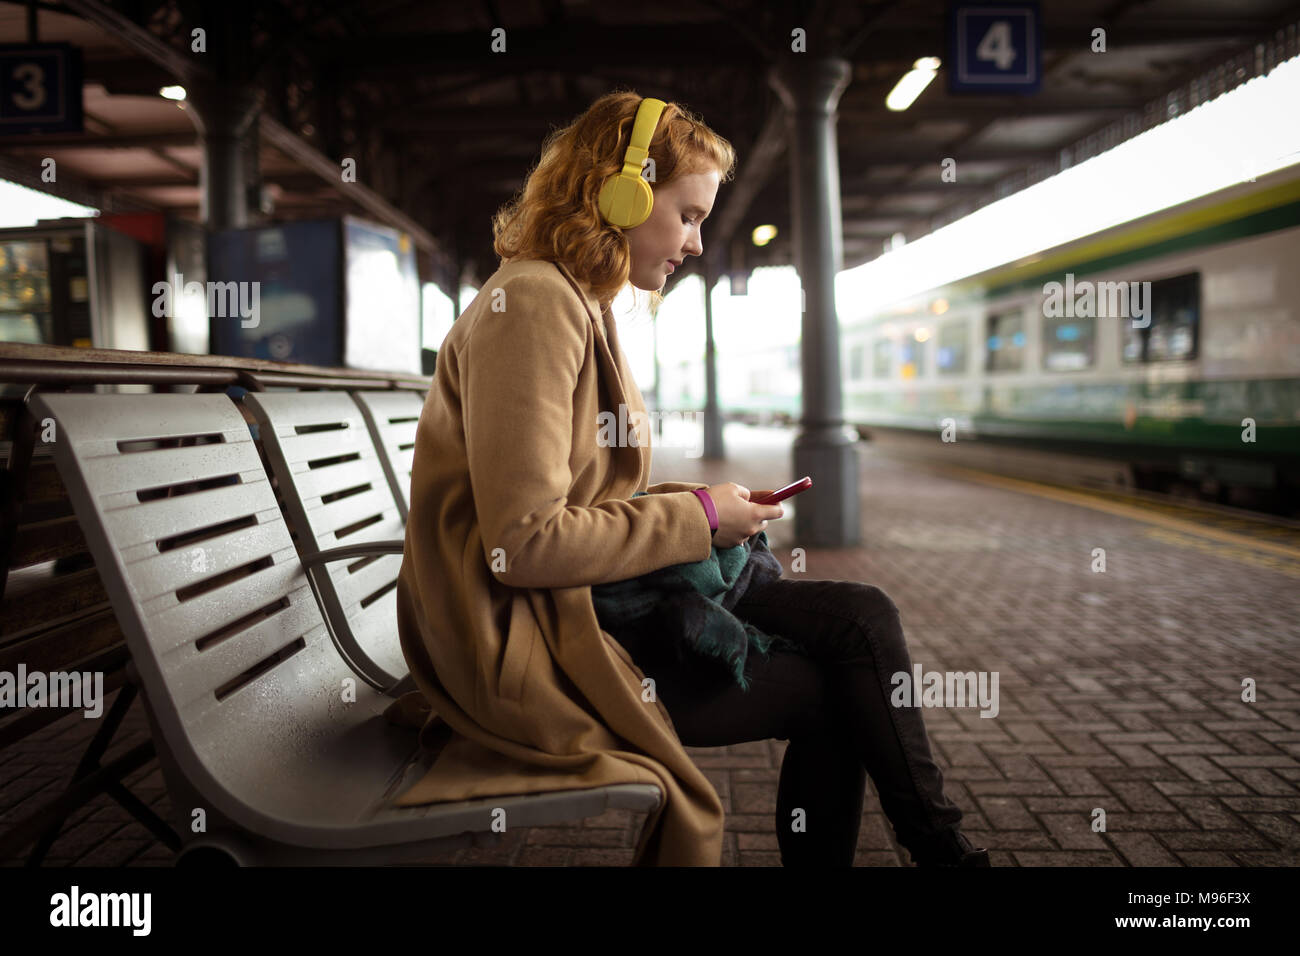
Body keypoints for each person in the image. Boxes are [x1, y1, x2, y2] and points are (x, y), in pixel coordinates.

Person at [394, 89, 988, 866]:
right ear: (621, 192)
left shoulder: (573, 300)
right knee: (843, 692)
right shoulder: (534, 305)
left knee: (863, 617)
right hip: (528, 639)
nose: (699, 243)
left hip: (592, 602)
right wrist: (701, 518)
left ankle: (947, 855)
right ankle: (948, 857)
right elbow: (525, 544)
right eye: (689, 215)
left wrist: (710, 506)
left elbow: (581, 501)